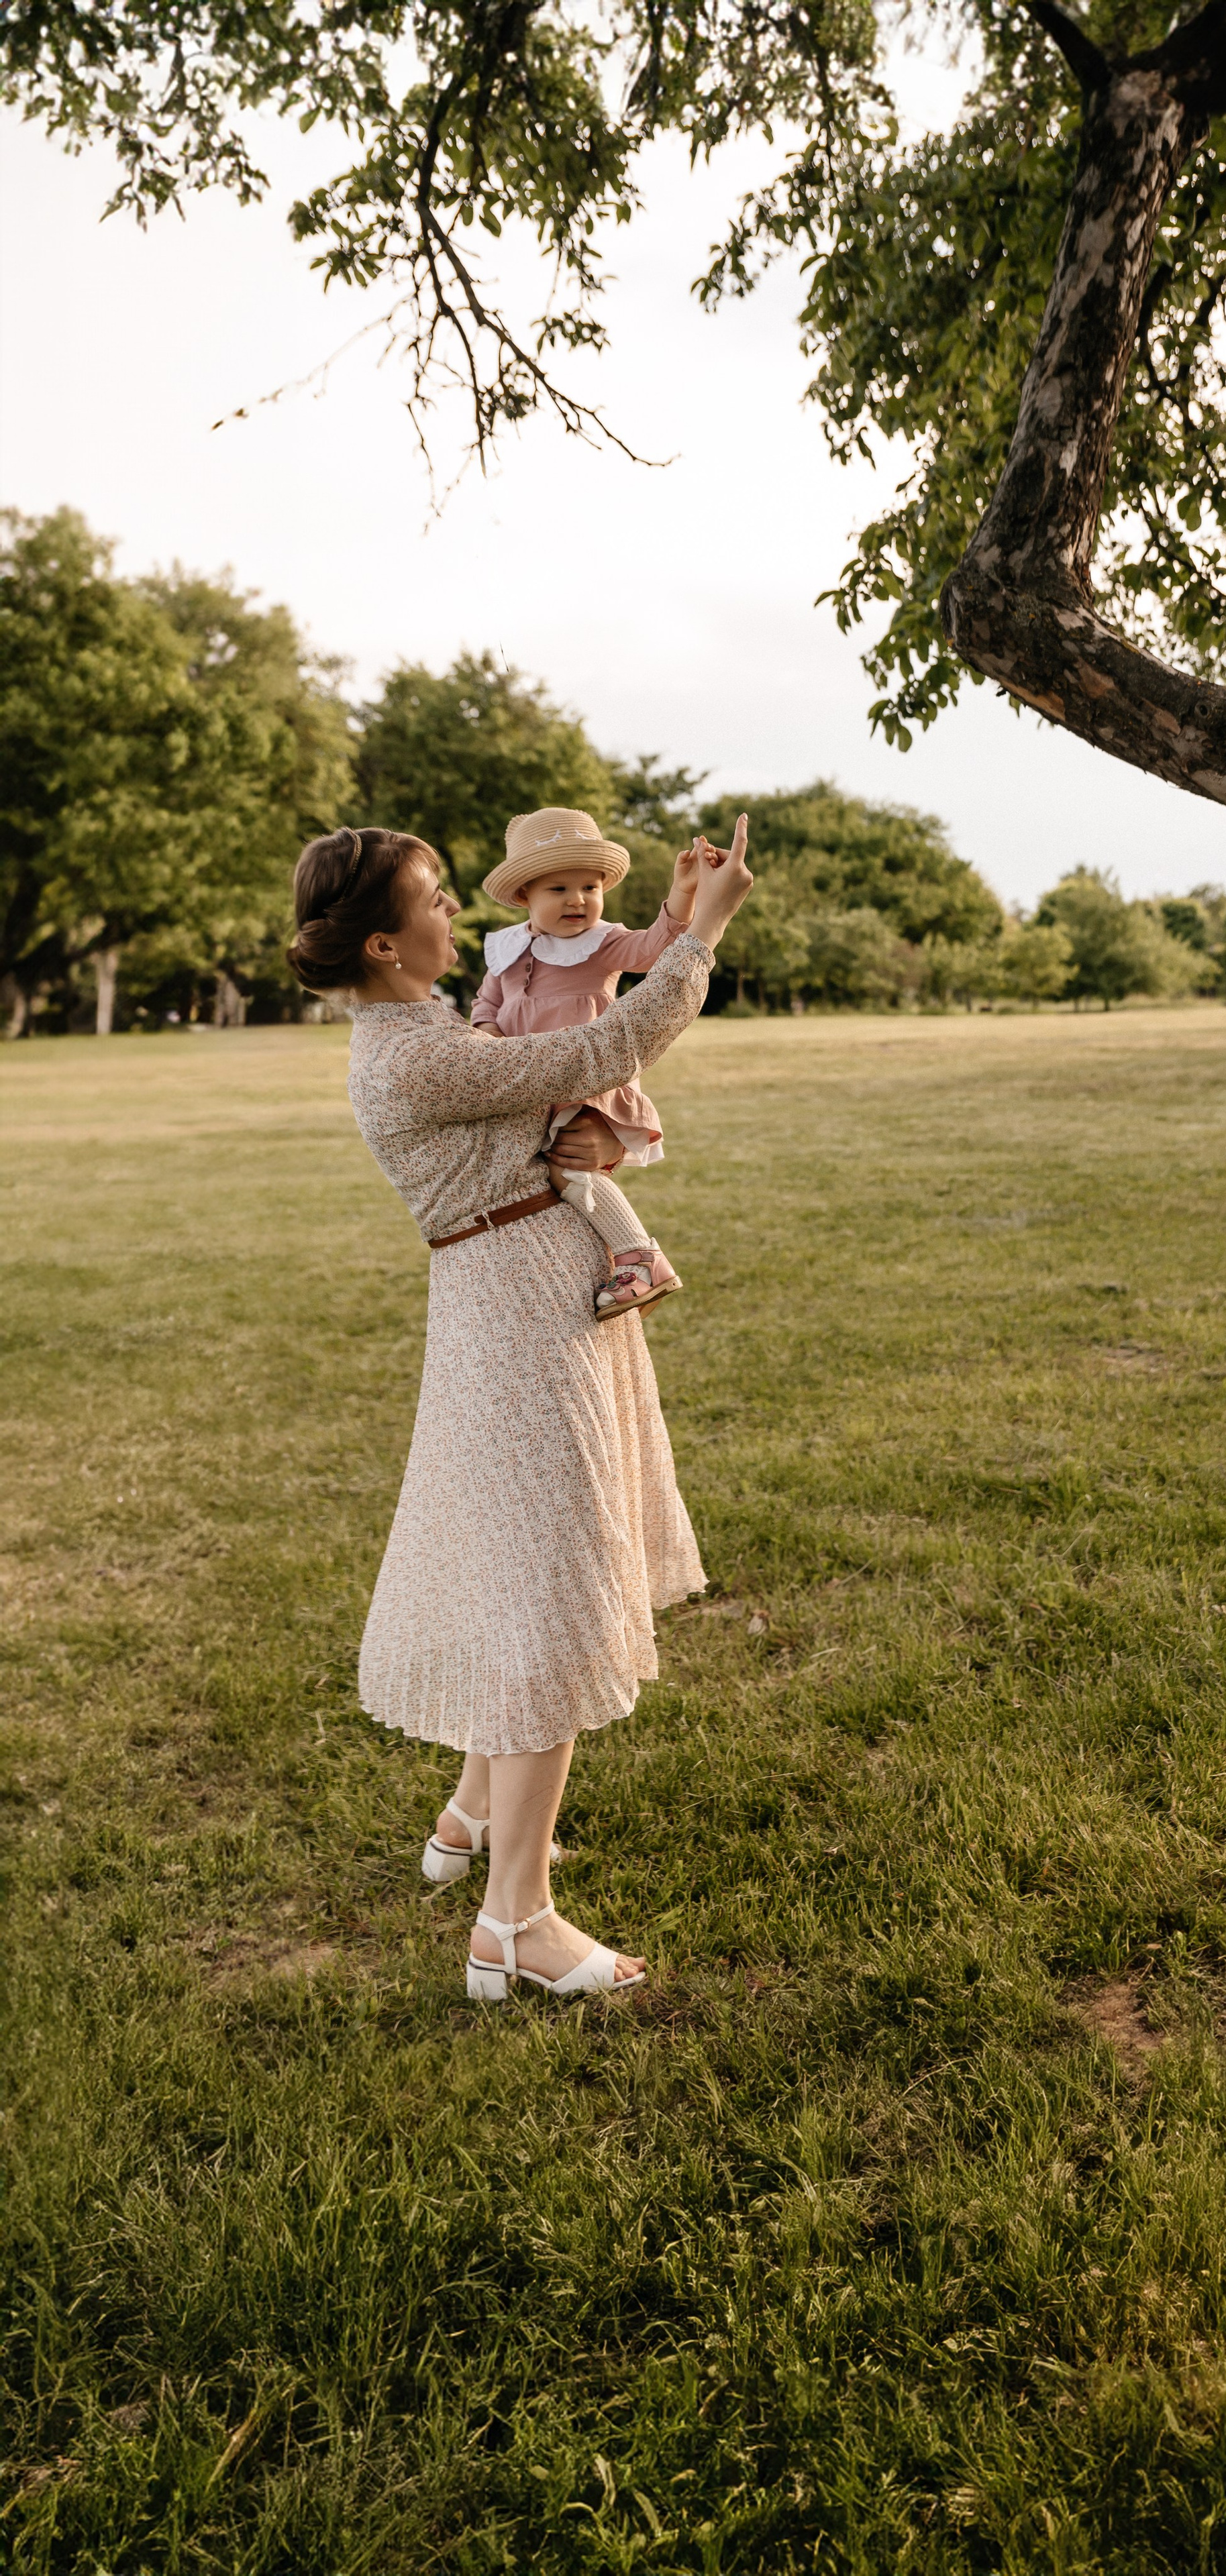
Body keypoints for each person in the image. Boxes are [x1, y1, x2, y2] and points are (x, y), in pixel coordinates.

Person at [287, 818, 753, 2001]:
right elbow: (615, 1037)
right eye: (435, 897)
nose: (455, 912)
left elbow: (563, 1090)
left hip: (530, 1300)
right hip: (519, 1327)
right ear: (384, 944)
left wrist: (597, 1137)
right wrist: (700, 933)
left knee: (528, 1582)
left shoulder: (433, 1028)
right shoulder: (415, 1057)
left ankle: (471, 1819)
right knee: (548, 1603)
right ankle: (516, 1923)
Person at [469, 806, 704, 1322]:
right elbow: (486, 1004)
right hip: (524, 1081)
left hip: (584, 1077)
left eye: (590, 887)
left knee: (569, 1165)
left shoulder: (603, 943)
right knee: (538, 1176)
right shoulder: (508, 948)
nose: (578, 899)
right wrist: (489, 1036)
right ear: (524, 894)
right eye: (559, 889)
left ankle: (640, 1258)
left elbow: (657, 948)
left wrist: (683, 893)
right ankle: (582, 1268)